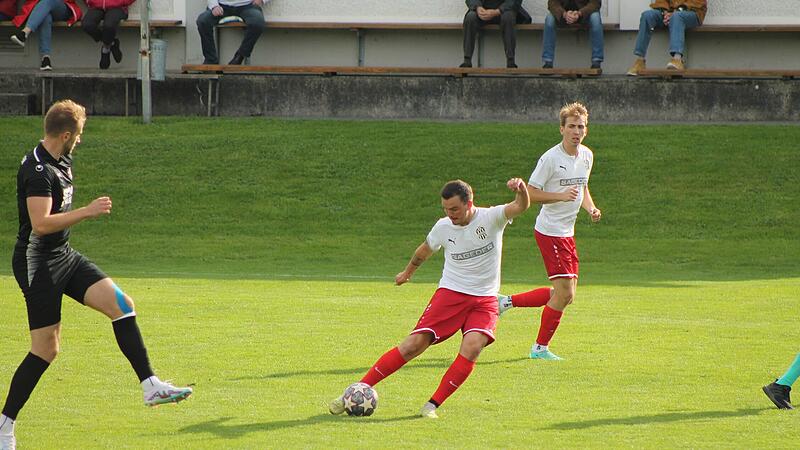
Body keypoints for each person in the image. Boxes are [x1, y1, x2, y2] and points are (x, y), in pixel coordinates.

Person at [0, 100, 192, 450]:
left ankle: (150, 386)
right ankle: (4, 426)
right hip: (37, 264)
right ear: (66, 134)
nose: (81, 141)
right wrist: (87, 212)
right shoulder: (38, 171)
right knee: (46, 349)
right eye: (80, 135)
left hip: (63, 256)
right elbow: (41, 224)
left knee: (122, 304)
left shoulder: (62, 160)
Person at [329, 178, 530, 419]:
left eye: (454, 209)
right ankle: (353, 393)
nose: (450, 214)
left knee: (473, 346)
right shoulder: (443, 227)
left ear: (469, 203)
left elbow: (520, 207)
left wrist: (522, 190)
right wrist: (407, 273)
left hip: (484, 299)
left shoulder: (491, 218)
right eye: (446, 209)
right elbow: (424, 250)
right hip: (451, 293)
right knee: (413, 345)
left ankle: (432, 405)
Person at [496, 102, 601, 361]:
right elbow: (530, 192)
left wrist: (591, 208)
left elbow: (583, 187)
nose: (577, 131)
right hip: (550, 231)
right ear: (562, 129)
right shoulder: (550, 158)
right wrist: (560, 196)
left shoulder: (587, 155)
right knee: (565, 294)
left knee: (566, 295)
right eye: (572, 127)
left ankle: (505, 302)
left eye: (581, 127)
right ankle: (539, 349)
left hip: (567, 232)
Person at [626, 0, 707, 75]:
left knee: (676, 16)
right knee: (647, 16)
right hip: (670, 12)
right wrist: (664, 12)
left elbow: (697, 2)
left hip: (693, 12)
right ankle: (640, 60)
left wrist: (677, 11)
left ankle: (677, 59)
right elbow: (661, 1)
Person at [9, 0, 82, 71]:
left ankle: (25, 32)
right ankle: (46, 58)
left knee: (48, 1)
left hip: (62, 7)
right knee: (46, 17)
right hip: (40, 7)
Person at [460, 0, 532, 69]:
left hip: (504, 11)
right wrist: (478, 7)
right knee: (470, 17)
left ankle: (511, 61)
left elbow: (514, 1)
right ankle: (467, 60)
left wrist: (498, 11)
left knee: (508, 17)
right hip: (482, 11)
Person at [196, 0, 268, 65]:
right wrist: (214, 6)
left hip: (248, 6)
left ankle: (240, 56)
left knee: (257, 23)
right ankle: (210, 60)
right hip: (221, 6)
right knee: (203, 21)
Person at [541, 0, 604, 71]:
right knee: (549, 19)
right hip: (564, 15)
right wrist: (564, 14)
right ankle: (548, 62)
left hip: (585, 14)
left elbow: (595, 3)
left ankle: (596, 61)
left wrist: (579, 13)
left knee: (595, 18)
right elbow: (552, 3)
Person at [81, 0, 136, 70]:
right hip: (96, 6)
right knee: (87, 25)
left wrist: (122, 1)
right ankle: (112, 43)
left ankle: (106, 49)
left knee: (109, 26)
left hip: (117, 7)